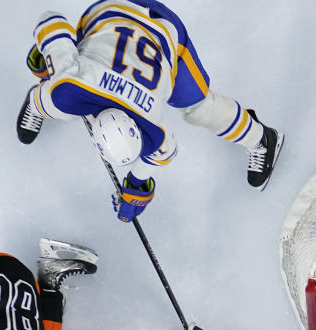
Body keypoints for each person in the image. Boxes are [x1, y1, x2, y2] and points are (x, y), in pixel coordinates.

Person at [15, 0, 285, 224]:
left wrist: (53, 58)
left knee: (198, 108)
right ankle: (258, 138)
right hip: (115, 13)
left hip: (161, 29)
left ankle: (263, 139)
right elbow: (50, 20)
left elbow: (51, 20)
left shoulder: (67, 94)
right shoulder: (66, 96)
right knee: (199, 108)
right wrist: (55, 57)